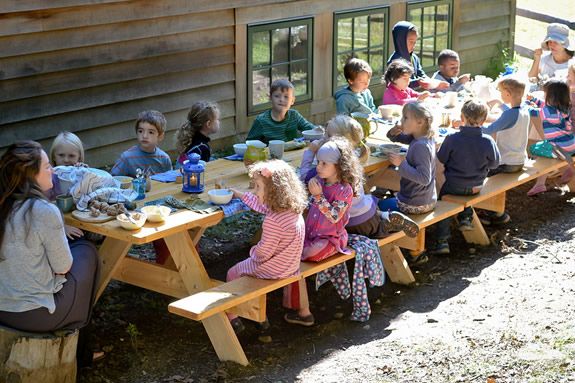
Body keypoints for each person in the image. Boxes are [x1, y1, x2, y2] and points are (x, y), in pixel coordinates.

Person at [0, 141, 100, 366]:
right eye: (47, 166)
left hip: (1, 307)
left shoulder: (4, 204)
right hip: (34, 315)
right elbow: (63, 267)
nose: (52, 170)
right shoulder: (43, 210)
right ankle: (83, 352)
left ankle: (83, 349)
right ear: (31, 174)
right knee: (88, 252)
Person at [300, 115, 419, 239]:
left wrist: (310, 152)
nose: (323, 138)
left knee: (377, 230)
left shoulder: (326, 171)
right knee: (368, 201)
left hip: (351, 224)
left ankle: (387, 224)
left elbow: (304, 177)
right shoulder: (350, 161)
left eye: (327, 135)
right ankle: (385, 216)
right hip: (366, 213)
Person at [227, 160, 308, 331]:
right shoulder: (291, 209)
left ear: (272, 192)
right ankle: (256, 314)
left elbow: (263, 253)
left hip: (274, 269)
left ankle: (233, 318)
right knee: (247, 273)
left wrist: (253, 253)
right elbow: (260, 204)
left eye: (257, 187)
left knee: (233, 272)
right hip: (290, 265)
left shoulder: (273, 221)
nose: (255, 192)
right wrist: (240, 195)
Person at [432, 100, 501, 255]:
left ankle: (442, 241)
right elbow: (495, 164)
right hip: (476, 186)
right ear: (484, 120)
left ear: (462, 117)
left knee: (443, 203)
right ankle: (465, 218)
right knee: (466, 192)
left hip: (454, 184)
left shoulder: (452, 138)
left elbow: (441, 159)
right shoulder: (488, 140)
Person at [479, 77, 530, 225]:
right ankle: (493, 210)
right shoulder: (523, 110)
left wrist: (466, 125)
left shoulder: (509, 115)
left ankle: (493, 213)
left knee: (480, 175)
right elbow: (511, 114)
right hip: (519, 159)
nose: (499, 94)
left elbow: (489, 130)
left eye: (501, 92)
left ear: (507, 93)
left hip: (507, 163)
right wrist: (500, 104)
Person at [378, 102, 437, 216]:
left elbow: (424, 178)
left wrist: (401, 163)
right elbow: (398, 138)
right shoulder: (422, 137)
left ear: (420, 122)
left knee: (375, 206)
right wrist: (393, 133)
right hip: (425, 201)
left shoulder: (421, 146)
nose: (401, 121)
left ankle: (394, 228)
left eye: (405, 118)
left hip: (415, 205)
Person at [527, 80, 575, 196]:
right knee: (546, 148)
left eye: (545, 94)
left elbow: (532, 112)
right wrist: (533, 99)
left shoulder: (547, 112)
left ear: (551, 97)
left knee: (533, 149)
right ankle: (540, 184)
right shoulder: (565, 108)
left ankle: (567, 167)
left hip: (559, 148)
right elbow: (544, 105)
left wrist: (524, 105)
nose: (544, 96)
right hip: (571, 144)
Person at [246, 79, 316, 144]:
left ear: (292, 100)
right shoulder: (261, 121)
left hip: (292, 154)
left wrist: (320, 129)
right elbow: (249, 143)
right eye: (277, 96)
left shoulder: (294, 115)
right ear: (270, 98)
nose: (281, 100)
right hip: (271, 156)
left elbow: (311, 129)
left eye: (286, 97)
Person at [48, 132, 88, 240]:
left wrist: (85, 174)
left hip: (81, 222)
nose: (66, 160)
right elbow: (45, 210)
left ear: (79, 157)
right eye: (61, 155)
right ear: (54, 157)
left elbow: (90, 194)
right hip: (58, 226)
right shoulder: (49, 178)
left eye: (71, 156)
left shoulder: (80, 172)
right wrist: (62, 227)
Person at [387, 21, 449, 90]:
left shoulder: (414, 58)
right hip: (397, 98)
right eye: (411, 41)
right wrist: (418, 82)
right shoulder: (395, 62)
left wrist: (433, 83)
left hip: (413, 95)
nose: (413, 45)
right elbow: (400, 83)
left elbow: (421, 74)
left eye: (415, 42)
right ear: (401, 41)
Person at [111, 110, 172, 177]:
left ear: (160, 136)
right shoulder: (127, 158)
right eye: (140, 131)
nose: (144, 136)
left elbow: (169, 181)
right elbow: (113, 181)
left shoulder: (164, 159)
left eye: (151, 132)